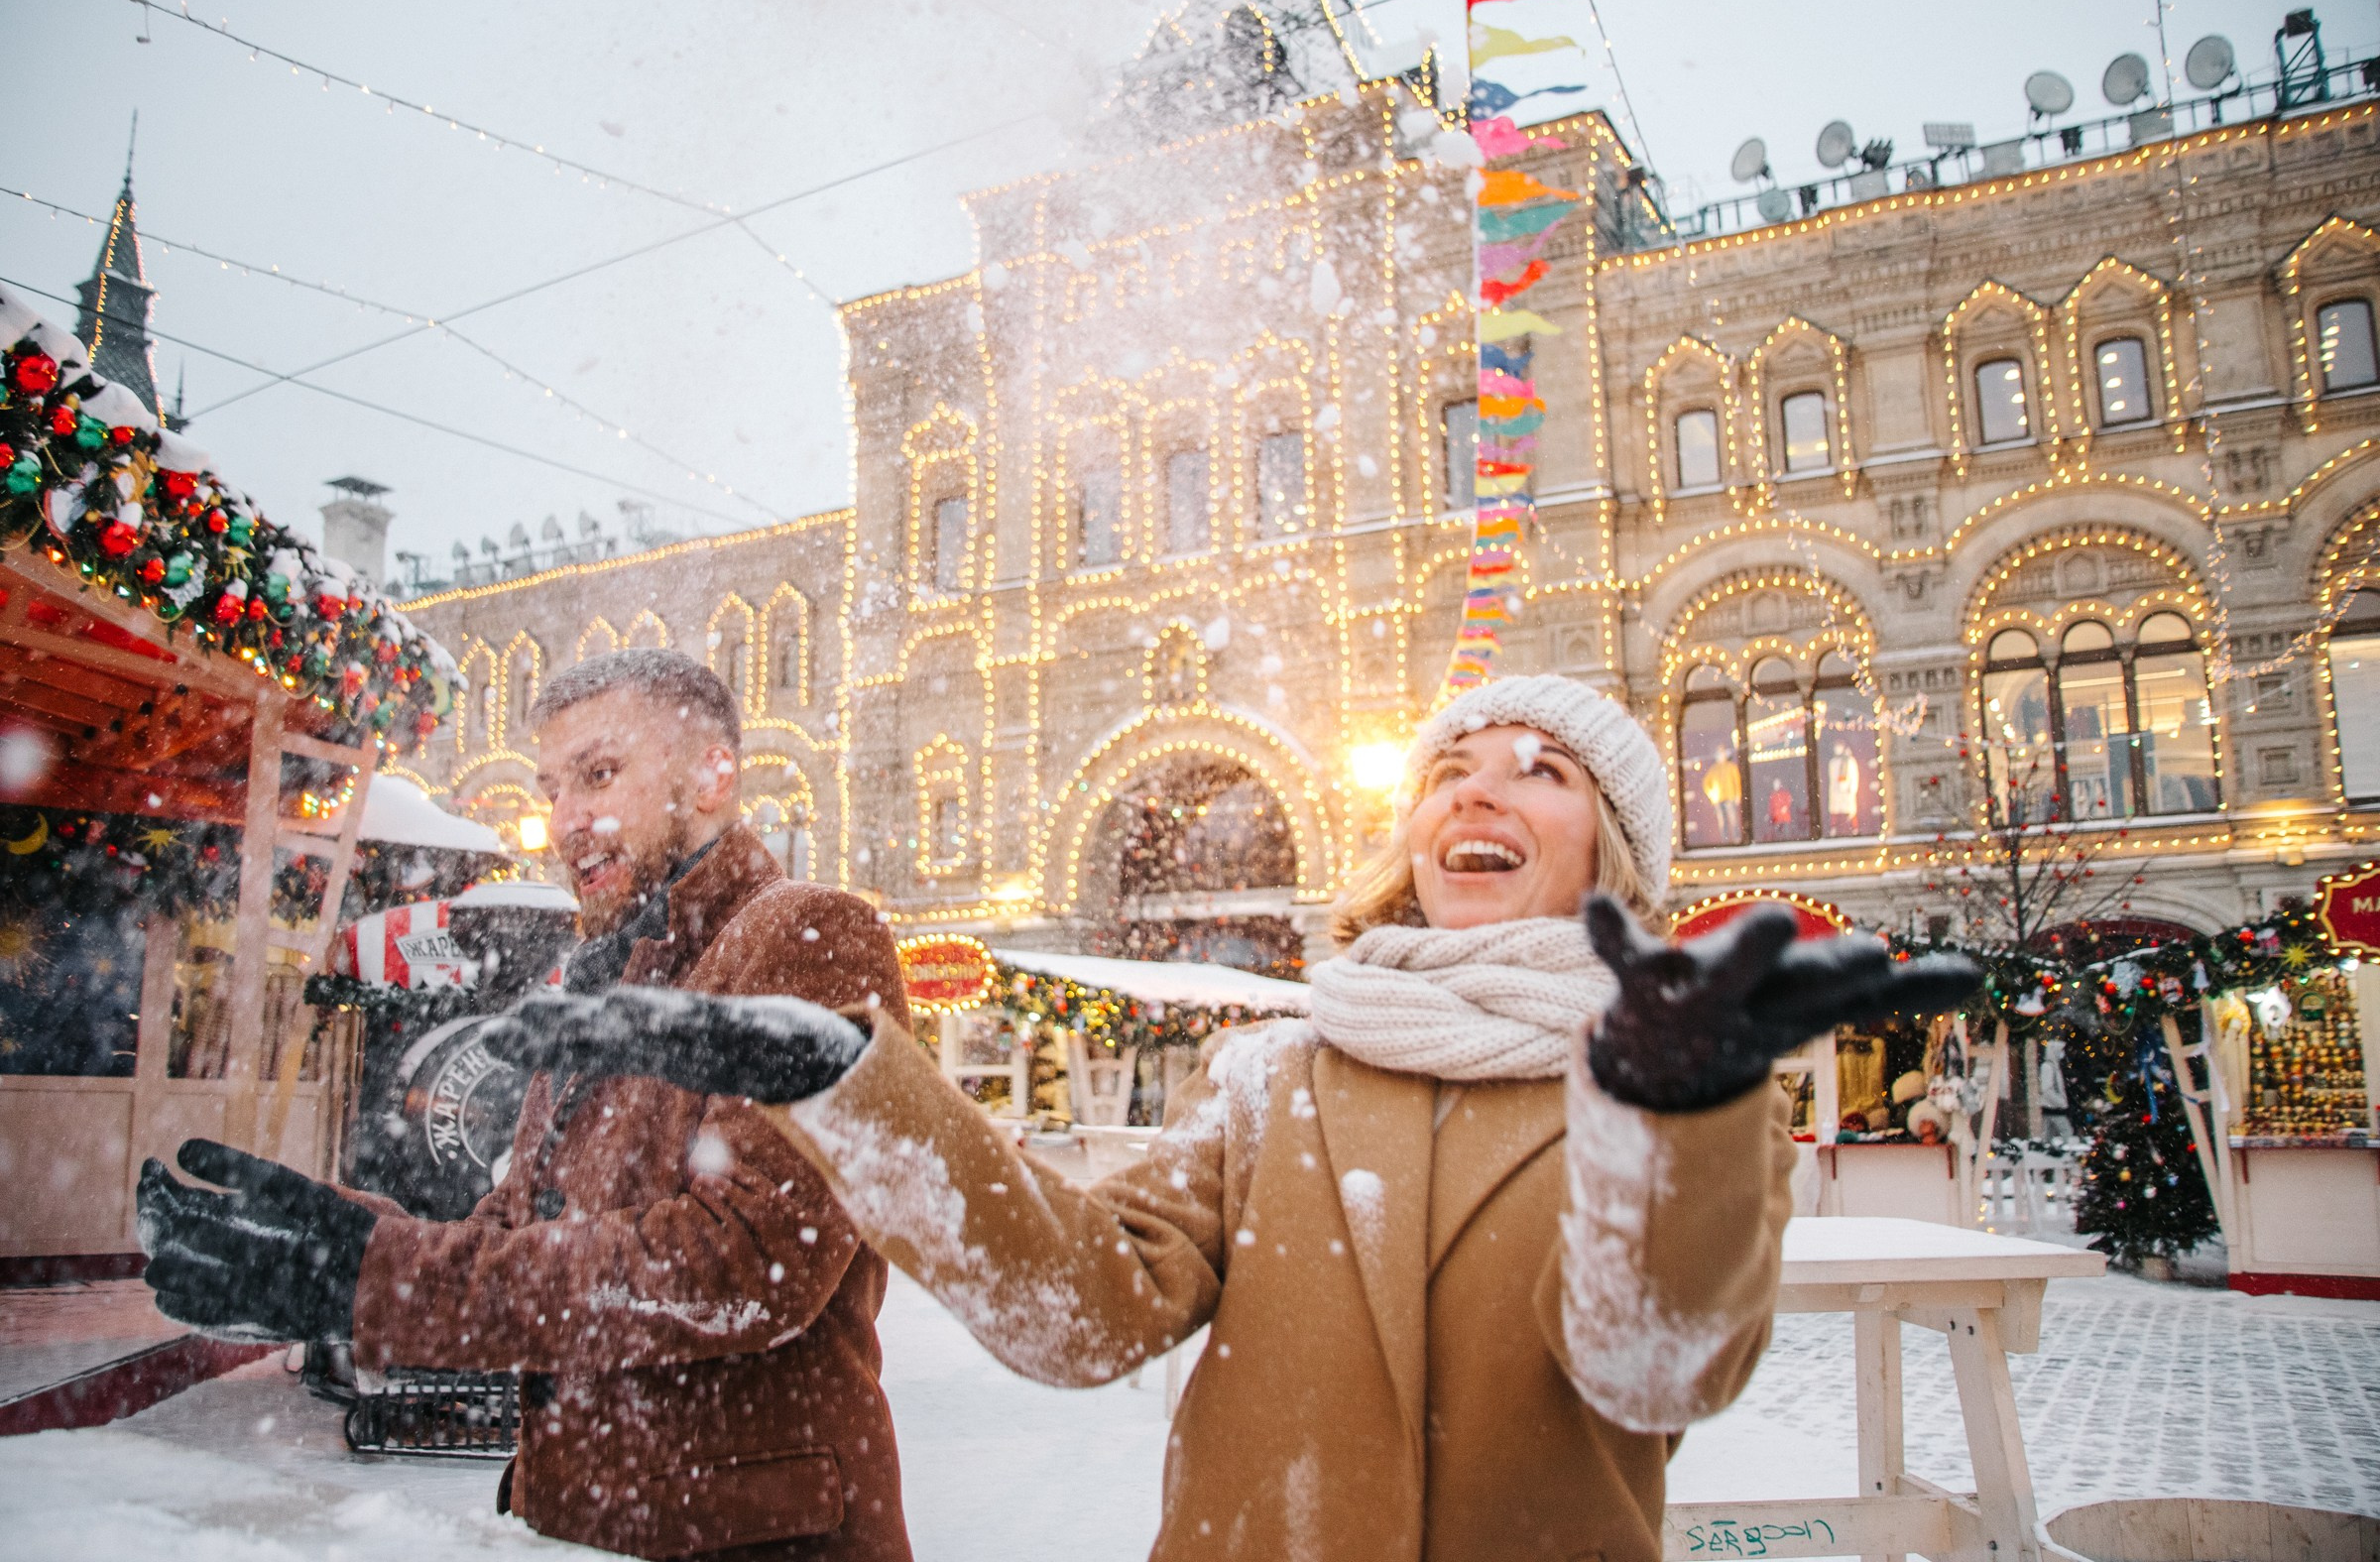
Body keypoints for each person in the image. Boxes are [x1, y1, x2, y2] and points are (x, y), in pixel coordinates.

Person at [485, 673, 1978, 1562]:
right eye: (1448, 767)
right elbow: (1073, 1309)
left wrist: (1673, 1107)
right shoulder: (1281, 1078)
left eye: (1545, 770)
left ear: (1617, 849)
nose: (1481, 787)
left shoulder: (1667, 1079)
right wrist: (846, 1084)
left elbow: (1655, 1368)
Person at [138, 649, 915, 1562]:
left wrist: (374, 1275)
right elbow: (514, 1232)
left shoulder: (808, 936)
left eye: (600, 774)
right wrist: (323, 1242)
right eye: (552, 788)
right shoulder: (598, 987)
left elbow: (744, 1267)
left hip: (754, 1534)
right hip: (588, 1526)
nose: (564, 821)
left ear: (713, 775)